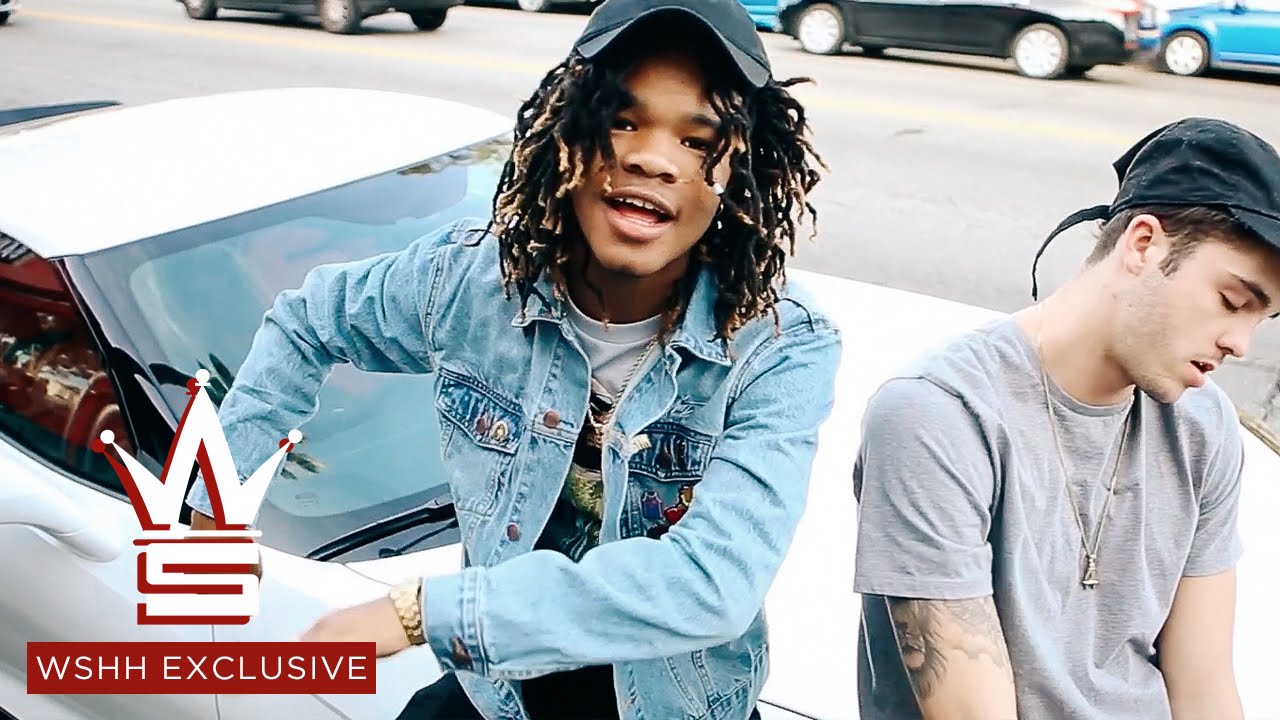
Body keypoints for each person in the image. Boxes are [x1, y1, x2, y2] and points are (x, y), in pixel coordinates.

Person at [183, 0, 841, 718]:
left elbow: (713, 583)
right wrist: (218, 502)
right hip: (499, 692)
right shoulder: (470, 283)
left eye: (697, 140)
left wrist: (418, 614)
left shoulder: (781, 345)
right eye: (623, 121)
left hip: (673, 702)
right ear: (569, 134)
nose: (653, 157)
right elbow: (308, 320)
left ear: (739, 175)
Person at [851, 117, 1280, 720]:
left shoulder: (1201, 423)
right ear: (1143, 245)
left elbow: (1204, 688)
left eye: (1262, 318)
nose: (1241, 343)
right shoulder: (938, 415)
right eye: (1232, 302)